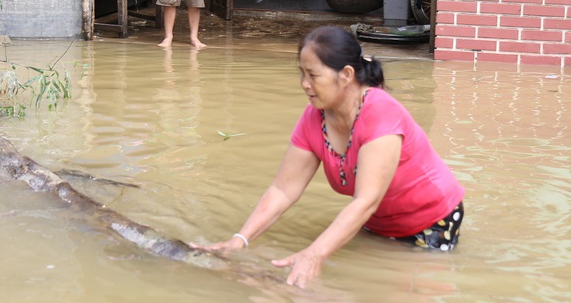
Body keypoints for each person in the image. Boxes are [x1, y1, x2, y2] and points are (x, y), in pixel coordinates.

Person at [192, 25, 466, 288]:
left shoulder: (380, 113)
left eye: (313, 75)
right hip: (378, 223)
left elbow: (366, 201)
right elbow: (283, 189)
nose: (304, 84)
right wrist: (239, 240)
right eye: (301, 74)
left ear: (346, 75)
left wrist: (314, 254)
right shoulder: (314, 117)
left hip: (432, 220)